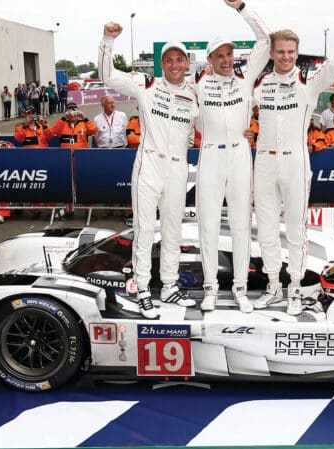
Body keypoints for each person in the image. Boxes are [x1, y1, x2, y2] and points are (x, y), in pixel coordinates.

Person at [252, 6, 334, 315]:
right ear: (272, 54)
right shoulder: (259, 85)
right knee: (265, 231)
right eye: (280, 52)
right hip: (264, 162)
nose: (286, 57)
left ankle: (294, 289)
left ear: (297, 52)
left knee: (295, 232)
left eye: (291, 52)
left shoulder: (310, 82)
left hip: (295, 162)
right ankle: (273, 287)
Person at [100, 22, 199, 318]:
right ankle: (142, 287)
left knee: (172, 229)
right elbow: (107, 75)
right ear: (161, 64)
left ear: (187, 63)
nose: (174, 65)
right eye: (168, 60)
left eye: (179, 60)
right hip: (149, 165)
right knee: (145, 229)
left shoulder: (195, 94)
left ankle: (169, 285)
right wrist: (108, 40)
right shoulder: (146, 85)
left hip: (179, 167)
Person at [195, 0, 270, 314]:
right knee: (208, 225)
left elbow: (266, 39)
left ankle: (240, 288)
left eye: (229, 54)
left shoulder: (246, 79)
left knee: (241, 225)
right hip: (210, 155)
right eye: (219, 55)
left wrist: (241, 8)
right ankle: (210, 287)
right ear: (210, 59)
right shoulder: (197, 86)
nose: (226, 60)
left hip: (240, 156)